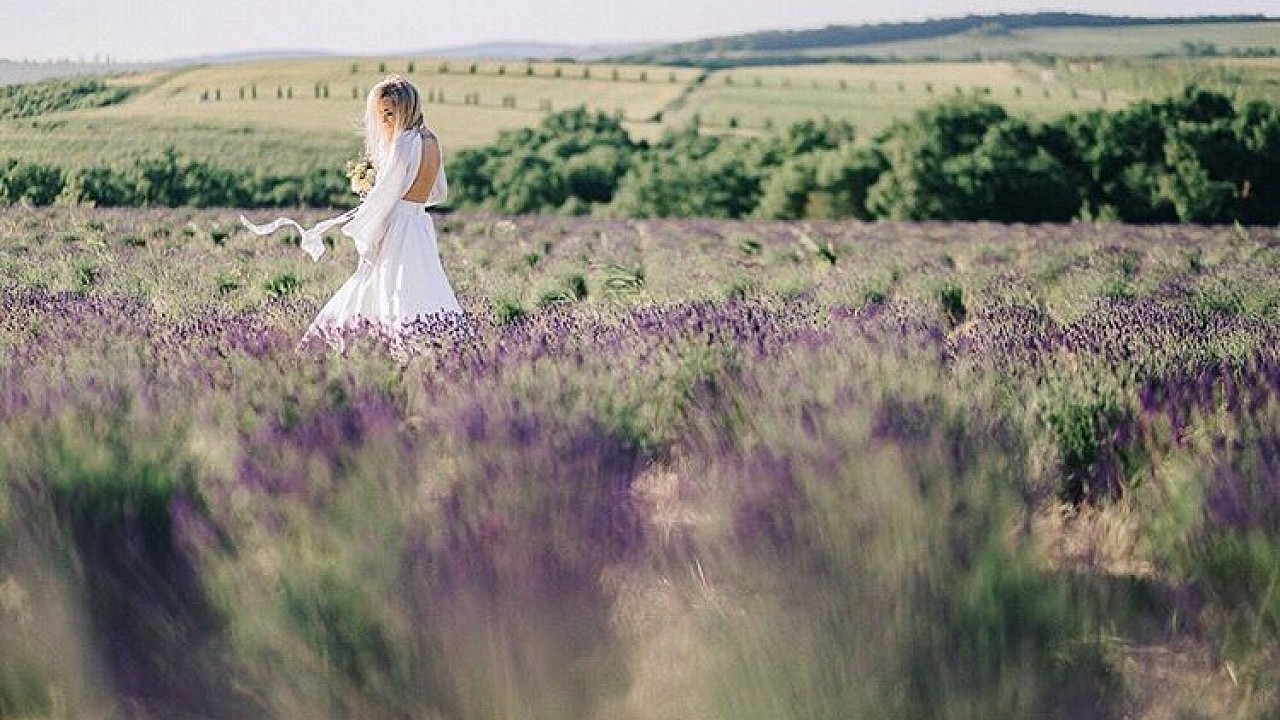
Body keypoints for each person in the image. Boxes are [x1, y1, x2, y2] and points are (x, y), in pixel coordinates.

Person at [240, 75, 464, 346]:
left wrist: (362, 227)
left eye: (390, 113)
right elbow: (435, 191)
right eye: (383, 114)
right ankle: (434, 343)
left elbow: (385, 197)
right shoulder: (430, 139)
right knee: (423, 285)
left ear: (407, 108)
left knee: (385, 287)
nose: (385, 121)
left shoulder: (403, 143)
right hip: (419, 223)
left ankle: (356, 341)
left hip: (399, 225)